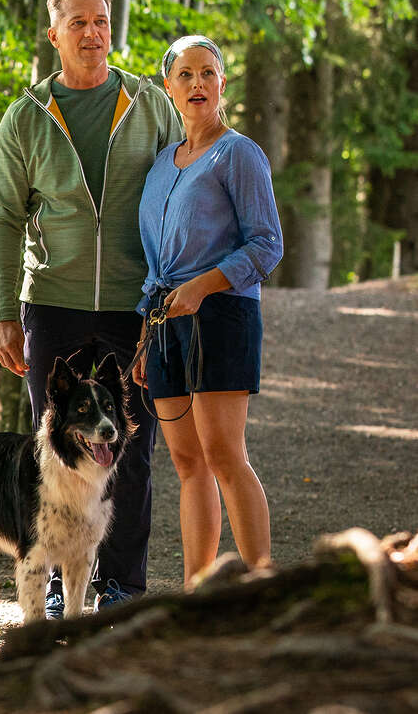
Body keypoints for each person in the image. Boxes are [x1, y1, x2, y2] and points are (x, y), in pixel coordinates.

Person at [0, 0, 183, 616]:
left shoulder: (149, 104)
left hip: (135, 302)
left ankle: (121, 589)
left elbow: (183, 192)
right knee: (53, 454)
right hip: (53, 299)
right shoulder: (26, 116)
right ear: (54, 35)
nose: (94, 34)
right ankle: (43, 582)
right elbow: (5, 218)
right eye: (80, 23)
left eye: (102, 21)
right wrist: (2, 313)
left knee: (133, 447)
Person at [133, 35, 283, 589]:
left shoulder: (238, 152)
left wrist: (203, 287)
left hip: (221, 315)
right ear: (169, 88)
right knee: (188, 464)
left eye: (209, 73)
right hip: (165, 320)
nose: (198, 83)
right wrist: (147, 336)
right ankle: (199, 594)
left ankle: (261, 588)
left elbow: (266, 244)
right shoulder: (159, 166)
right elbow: (155, 262)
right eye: (186, 75)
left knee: (224, 455)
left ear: (223, 84)